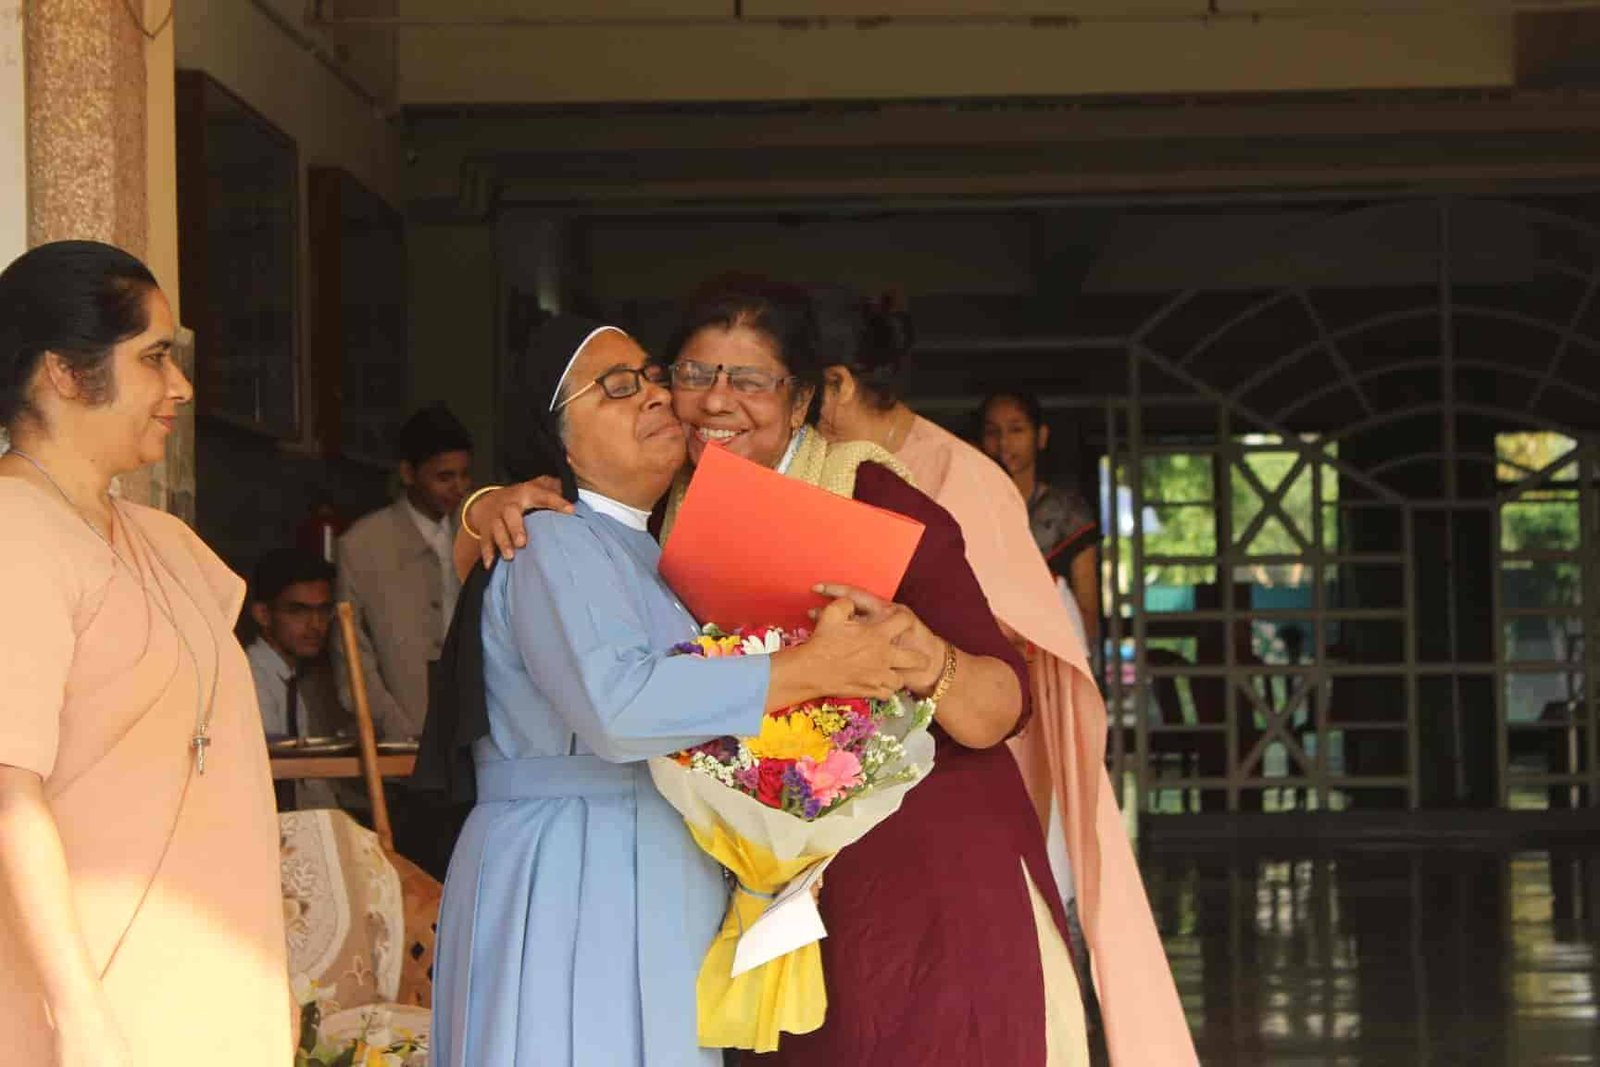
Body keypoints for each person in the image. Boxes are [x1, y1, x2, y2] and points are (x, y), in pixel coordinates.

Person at [460, 285, 1090, 1066]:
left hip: (922, 869)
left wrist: (924, 656)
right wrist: (485, 505)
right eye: (693, 374)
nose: (716, 400)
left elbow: (1000, 706)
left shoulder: (869, 493)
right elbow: (524, 572)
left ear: (801, 403)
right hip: (763, 898)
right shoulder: (653, 507)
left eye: (751, 380)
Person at [423, 315, 921, 1067]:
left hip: (638, 858)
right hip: (573, 866)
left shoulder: (643, 550)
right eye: (617, 387)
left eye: (654, 377)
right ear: (556, 439)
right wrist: (813, 669)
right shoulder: (550, 538)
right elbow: (619, 708)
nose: (655, 395)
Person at [812, 290, 1195, 1065]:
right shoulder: (825, 467)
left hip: (978, 743)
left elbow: (1010, 644)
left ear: (837, 383)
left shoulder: (960, 475)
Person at [0, 240, 290, 1065]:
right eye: (155, 358)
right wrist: (78, 1012)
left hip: (209, 980)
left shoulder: (162, 538)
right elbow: (8, 791)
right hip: (93, 1000)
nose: (181, 387)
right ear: (65, 372)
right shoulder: (14, 532)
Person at [333, 402, 473, 741]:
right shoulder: (362, 545)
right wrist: (396, 728)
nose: (458, 488)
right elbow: (351, 655)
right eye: (444, 477)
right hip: (398, 736)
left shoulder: (476, 532)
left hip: (471, 732)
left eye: (464, 475)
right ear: (408, 474)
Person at [979, 389, 1102, 651]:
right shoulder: (967, 509)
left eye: (1016, 430)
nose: (1004, 442)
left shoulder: (1069, 514)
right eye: (992, 432)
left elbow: (1088, 616)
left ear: (1041, 436)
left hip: (1053, 653)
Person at [243, 547, 346, 809]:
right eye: (298, 611)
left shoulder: (293, 681)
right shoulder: (247, 679)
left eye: (323, 611)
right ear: (263, 614)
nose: (315, 625)